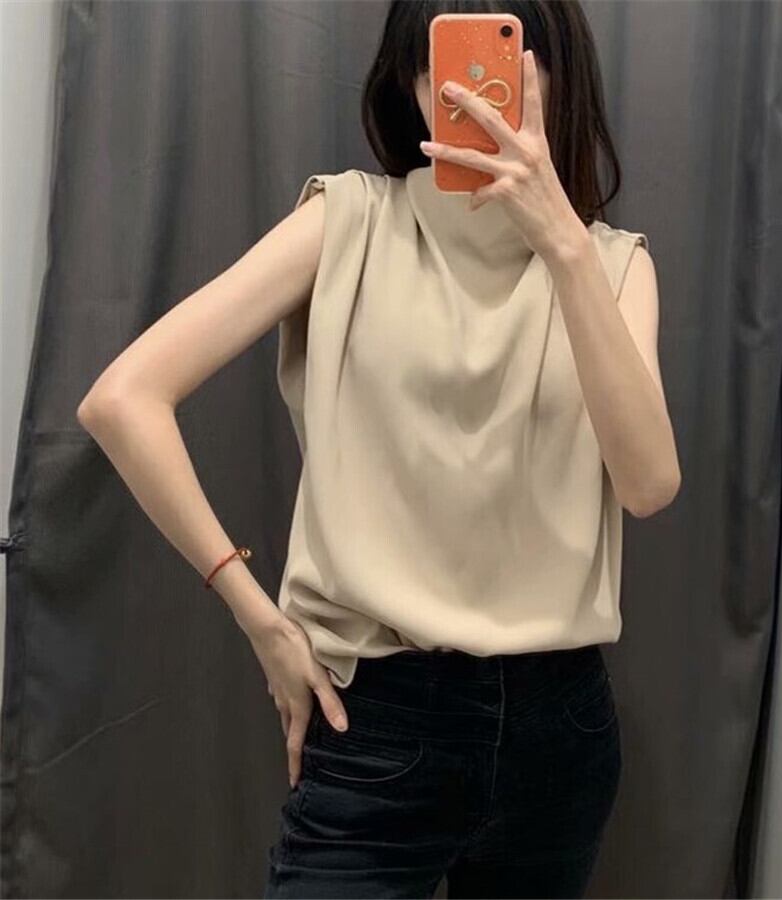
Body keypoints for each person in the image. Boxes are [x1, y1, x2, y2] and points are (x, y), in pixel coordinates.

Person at [77, 1, 680, 897]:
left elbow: (648, 484)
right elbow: (123, 400)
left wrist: (562, 241)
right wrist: (258, 618)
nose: (467, 91)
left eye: (504, 55)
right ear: (410, 81)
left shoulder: (615, 265)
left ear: (558, 73)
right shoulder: (349, 220)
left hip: (559, 728)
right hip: (379, 720)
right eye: (439, 60)